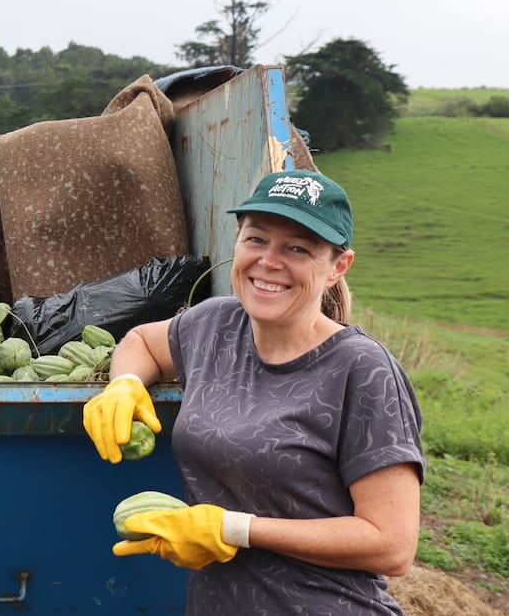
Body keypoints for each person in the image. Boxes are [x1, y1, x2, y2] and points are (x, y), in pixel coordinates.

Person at [83, 168, 425, 614]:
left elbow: (391, 545)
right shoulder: (216, 324)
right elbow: (142, 341)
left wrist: (233, 528)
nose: (268, 261)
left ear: (337, 267)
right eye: (256, 239)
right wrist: (124, 383)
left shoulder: (362, 369)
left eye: (297, 248)